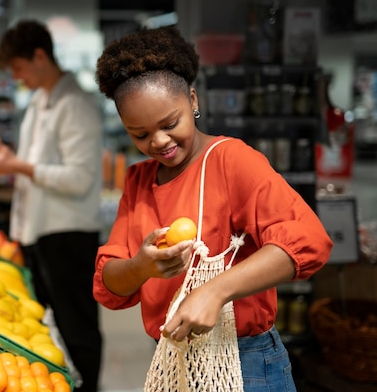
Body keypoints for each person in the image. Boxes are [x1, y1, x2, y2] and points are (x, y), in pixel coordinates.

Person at [92, 25, 332, 391]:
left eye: (170, 123)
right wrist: (141, 267)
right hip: (172, 362)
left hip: (243, 361)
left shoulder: (231, 161)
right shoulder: (139, 181)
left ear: (193, 100)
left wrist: (215, 291)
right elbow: (109, 284)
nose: (158, 141)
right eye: (139, 134)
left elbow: (308, 240)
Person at [0, 19, 103, 392]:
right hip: (42, 232)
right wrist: (7, 161)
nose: (17, 77)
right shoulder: (40, 102)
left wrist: (18, 166)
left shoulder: (75, 104)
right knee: (53, 323)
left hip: (68, 234)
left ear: (40, 56)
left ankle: (88, 386)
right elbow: (36, 165)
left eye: (18, 67)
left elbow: (79, 178)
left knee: (76, 325)